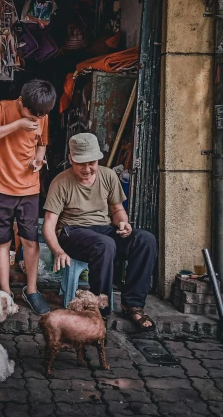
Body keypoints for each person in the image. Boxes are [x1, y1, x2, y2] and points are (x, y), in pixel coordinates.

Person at [41, 133, 157, 331]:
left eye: (91, 163)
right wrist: (58, 251)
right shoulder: (60, 182)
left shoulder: (108, 175)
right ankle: (97, 310)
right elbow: (49, 225)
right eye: (81, 164)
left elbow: (117, 210)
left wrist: (123, 223)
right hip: (73, 232)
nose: (87, 169)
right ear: (71, 159)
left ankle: (133, 304)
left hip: (104, 229)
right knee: (104, 244)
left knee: (146, 240)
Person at [0, 79, 56, 315]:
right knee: (2, 242)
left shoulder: (42, 115)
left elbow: (42, 143)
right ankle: (6, 292)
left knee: (30, 240)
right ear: (21, 101)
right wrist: (18, 124)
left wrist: (38, 160)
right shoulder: (3, 108)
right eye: (31, 113)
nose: (36, 118)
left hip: (29, 189)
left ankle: (31, 290)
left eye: (40, 115)